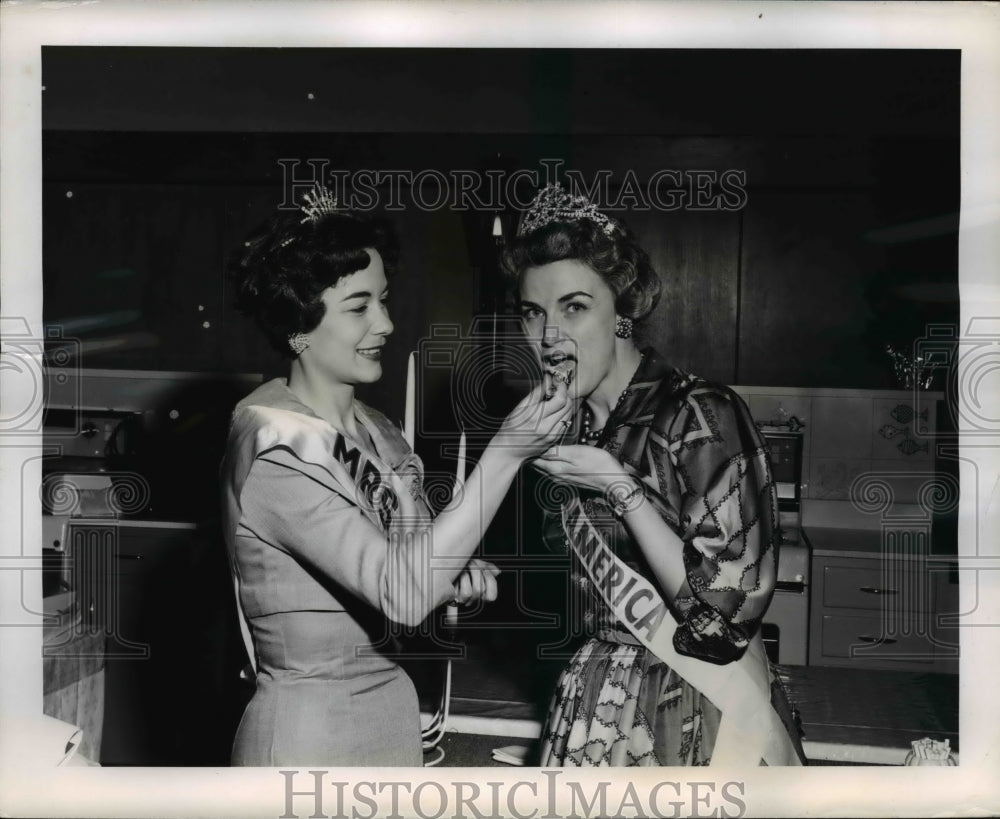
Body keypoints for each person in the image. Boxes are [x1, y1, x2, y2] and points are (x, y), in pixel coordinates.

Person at [220, 185, 573, 766]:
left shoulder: (378, 431)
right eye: (359, 307)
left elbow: (415, 564)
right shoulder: (275, 450)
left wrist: (456, 569)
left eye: (384, 299)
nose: (385, 322)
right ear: (297, 326)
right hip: (307, 739)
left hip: (389, 722)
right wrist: (505, 453)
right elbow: (404, 594)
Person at [502, 183, 806, 766]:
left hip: (692, 710)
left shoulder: (698, 415)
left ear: (622, 311)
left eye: (574, 306)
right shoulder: (563, 433)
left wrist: (623, 492)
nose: (548, 338)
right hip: (591, 706)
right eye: (532, 312)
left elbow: (724, 622)